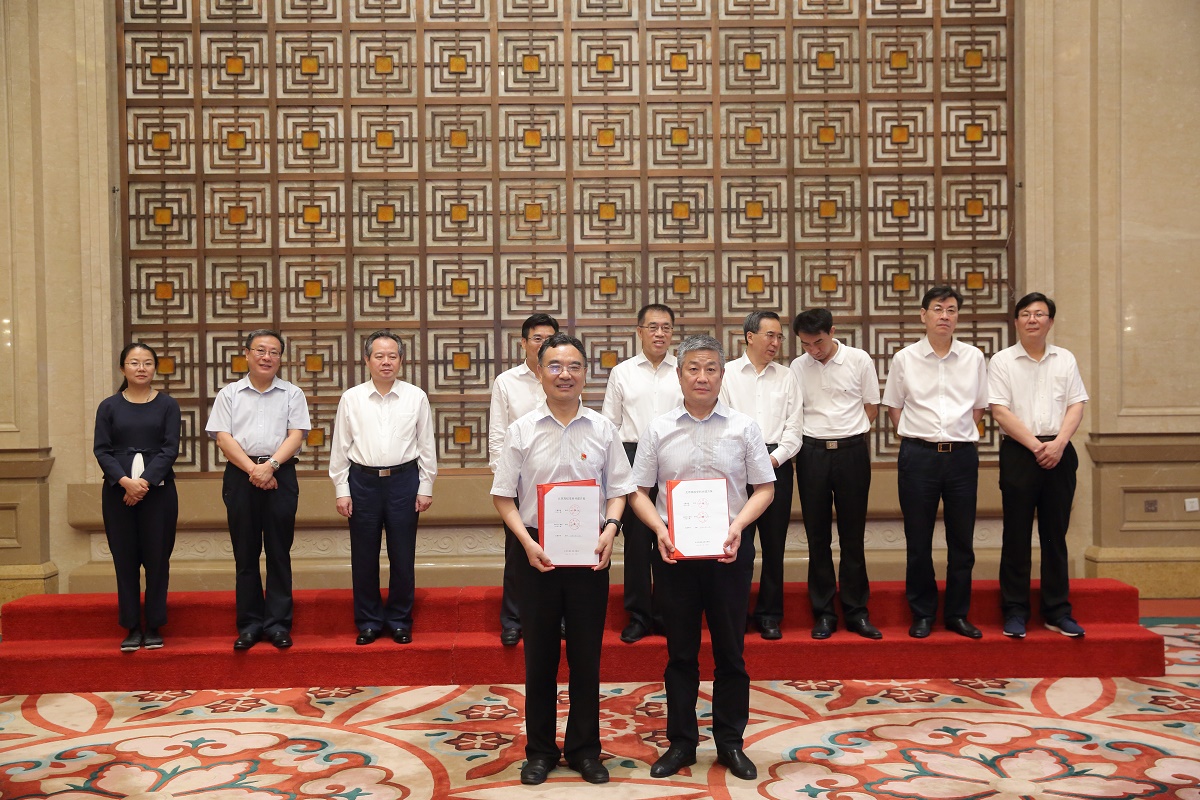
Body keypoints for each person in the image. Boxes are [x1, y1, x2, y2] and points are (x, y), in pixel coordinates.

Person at [629, 334, 776, 781]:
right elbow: (638, 492)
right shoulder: (658, 429)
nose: (702, 377)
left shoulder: (744, 427)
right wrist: (659, 530)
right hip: (674, 556)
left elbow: (764, 489)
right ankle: (681, 743)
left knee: (731, 653)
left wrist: (738, 526)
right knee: (680, 654)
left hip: (729, 554)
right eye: (693, 368)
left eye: (711, 368)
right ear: (679, 375)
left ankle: (731, 743)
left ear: (722, 375)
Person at [490, 332, 635, 786]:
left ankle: (585, 750)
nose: (564, 374)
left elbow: (620, 490)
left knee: (587, 658)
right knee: (540, 658)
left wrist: (612, 529)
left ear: (585, 373)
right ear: (540, 372)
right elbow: (503, 496)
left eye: (573, 366)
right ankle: (539, 751)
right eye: (554, 366)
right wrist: (525, 542)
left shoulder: (603, 429)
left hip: (590, 550)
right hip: (537, 552)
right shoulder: (521, 430)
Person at [882, 287, 988, 640]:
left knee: (962, 541)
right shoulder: (905, 358)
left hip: (961, 458)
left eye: (952, 310)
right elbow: (894, 408)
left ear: (958, 316)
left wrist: (954, 435)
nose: (945, 315)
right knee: (918, 540)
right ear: (923, 315)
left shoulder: (973, 357)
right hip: (919, 456)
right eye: (938, 309)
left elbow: (979, 408)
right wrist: (920, 437)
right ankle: (923, 613)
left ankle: (957, 614)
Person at [989, 292, 1089, 639]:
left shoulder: (1065, 359)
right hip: (1020, 453)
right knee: (1016, 535)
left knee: (1054, 535)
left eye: (1040, 314)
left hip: (1060, 452)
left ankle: (1057, 611)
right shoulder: (1002, 361)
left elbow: (1076, 404)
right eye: (1026, 314)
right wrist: (1036, 446)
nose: (1033, 319)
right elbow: (999, 410)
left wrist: (1058, 444)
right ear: (1016, 321)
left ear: (1050, 321)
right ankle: (1015, 610)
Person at [329, 331, 436, 645]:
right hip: (362, 482)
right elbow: (340, 447)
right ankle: (369, 621)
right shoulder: (352, 398)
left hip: (404, 481)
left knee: (403, 556)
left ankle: (400, 620)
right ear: (367, 360)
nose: (386, 362)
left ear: (401, 360)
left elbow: (426, 445)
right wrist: (341, 489)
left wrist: (426, 485)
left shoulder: (415, 396)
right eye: (379, 356)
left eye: (392, 356)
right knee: (364, 556)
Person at [206, 329, 311, 651]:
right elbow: (223, 438)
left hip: (281, 475)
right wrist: (255, 470)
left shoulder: (292, 394)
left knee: (279, 553)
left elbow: (296, 435)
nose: (267, 357)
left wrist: (271, 466)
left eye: (274, 352)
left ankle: (278, 625)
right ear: (247, 354)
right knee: (246, 554)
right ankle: (249, 625)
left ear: (281, 358)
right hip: (241, 477)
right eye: (261, 350)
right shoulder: (230, 394)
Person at [790, 309, 882, 640]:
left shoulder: (859, 360)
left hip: (851, 451)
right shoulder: (798, 367)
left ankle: (857, 612)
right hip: (812, 453)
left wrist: (848, 432)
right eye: (805, 344)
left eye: (818, 342)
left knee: (852, 535)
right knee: (817, 537)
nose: (813, 350)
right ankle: (825, 613)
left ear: (832, 332)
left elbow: (871, 407)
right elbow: (795, 411)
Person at [719, 311, 803, 640]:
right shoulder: (726, 374)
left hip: (776, 465)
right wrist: (746, 461)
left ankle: (770, 614)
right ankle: (735, 614)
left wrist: (773, 459)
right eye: (770, 335)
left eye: (780, 336)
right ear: (749, 337)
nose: (776, 342)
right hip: (735, 467)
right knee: (737, 543)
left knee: (774, 544)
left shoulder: (787, 377)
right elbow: (721, 422)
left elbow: (794, 429)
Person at [601, 303, 682, 643]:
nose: (660, 333)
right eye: (653, 327)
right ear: (639, 332)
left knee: (670, 536)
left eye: (666, 327)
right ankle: (638, 615)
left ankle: (666, 613)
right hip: (632, 455)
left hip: (674, 455)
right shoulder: (622, 372)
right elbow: (610, 424)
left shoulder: (683, 369)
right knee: (636, 542)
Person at [92, 343, 181, 652]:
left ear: (155, 368)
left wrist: (143, 483)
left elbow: (170, 448)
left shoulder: (168, 405)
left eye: (147, 363)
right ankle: (131, 626)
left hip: (159, 493)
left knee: (158, 560)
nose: (141, 368)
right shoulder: (108, 407)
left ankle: (154, 624)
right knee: (125, 560)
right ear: (123, 368)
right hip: (118, 493)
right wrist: (126, 483)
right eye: (134, 362)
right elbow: (101, 450)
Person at [489, 313, 559, 646]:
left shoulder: (562, 376)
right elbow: (497, 433)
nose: (544, 344)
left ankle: (555, 617)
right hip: (517, 480)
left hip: (557, 479)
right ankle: (513, 619)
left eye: (550, 338)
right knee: (518, 550)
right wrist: (503, 479)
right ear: (524, 343)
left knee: (558, 547)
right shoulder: (507, 382)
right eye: (537, 338)